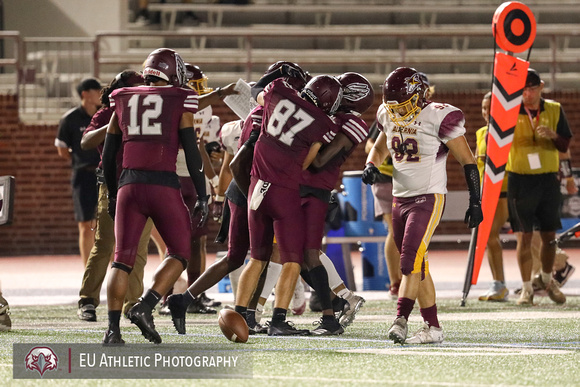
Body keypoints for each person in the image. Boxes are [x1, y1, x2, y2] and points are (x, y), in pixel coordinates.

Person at [101, 48, 236, 344]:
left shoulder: (122, 95)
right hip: (163, 184)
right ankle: (146, 306)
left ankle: (112, 330)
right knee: (179, 252)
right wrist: (202, 194)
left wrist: (113, 194)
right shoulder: (180, 98)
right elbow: (191, 152)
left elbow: (110, 154)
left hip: (128, 185)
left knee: (120, 260)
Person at [363, 67, 483, 344]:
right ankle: (434, 328)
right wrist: (371, 164)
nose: (397, 112)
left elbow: (467, 160)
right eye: (393, 106)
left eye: (403, 105)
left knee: (408, 262)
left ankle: (400, 320)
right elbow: (380, 148)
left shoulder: (438, 116)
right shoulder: (387, 114)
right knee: (420, 264)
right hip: (398, 198)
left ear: (417, 97)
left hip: (427, 197)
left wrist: (475, 201)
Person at [232, 72, 342, 336]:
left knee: (256, 258)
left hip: (257, 187)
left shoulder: (278, 91)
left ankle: (241, 315)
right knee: (291, 259)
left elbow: (256, 91)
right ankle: (278, 320)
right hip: (284, 192)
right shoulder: (322, 123)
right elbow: (307, 163)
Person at [76, 70, 154, 322]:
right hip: (113, 184)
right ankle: (88, 300)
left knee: (139, 248)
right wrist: (115, 123)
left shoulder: (150, 110)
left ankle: (132, 304)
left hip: (144, 183)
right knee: (106, 244)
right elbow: (86, 141)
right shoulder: (108, 112)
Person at [300, 72, 373, 334]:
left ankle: (331, 310)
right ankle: (339, 299)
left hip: (315, 188)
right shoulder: (333, 116)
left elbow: (319, 161)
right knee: (295, 255)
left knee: (305, 253)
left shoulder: (352, 122)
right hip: (303, 185)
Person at [507, 69, 571, 306]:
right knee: (523, 236)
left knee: (549, 235)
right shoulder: (510, 110)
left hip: (547, 179)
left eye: (532, 88)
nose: (528, 94)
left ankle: (546, 279)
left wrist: (553, 135)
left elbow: (566, 143)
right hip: (520, 178)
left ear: (541, 86)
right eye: (523, 90)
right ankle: (526, 289)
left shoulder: (554, 109)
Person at [54, 77, 102, 266]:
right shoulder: (70, 119)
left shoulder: (105, 115)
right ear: (85, 94)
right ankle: (87, 271)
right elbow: (62, 149)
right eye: (96, 90)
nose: (100, 94)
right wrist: (81, 159)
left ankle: (112, 271)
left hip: (105, 174)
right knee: (85, 224)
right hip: (83, 175)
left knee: (108, 225)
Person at [477, 91, 510, 302]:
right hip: (485, 190)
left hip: (504, 189)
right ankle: (499, 284)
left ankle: (502, 284)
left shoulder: (507, 132)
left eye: (490, 108)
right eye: (483, 108)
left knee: (491, 235)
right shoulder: (481, 132)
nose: (486, 112)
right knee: (489, 237)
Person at [364, 122, 401, 299]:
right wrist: (390, 152)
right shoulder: (385, 117)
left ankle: (411, 279)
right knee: (395, 231)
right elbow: (370, 146)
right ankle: (396, 283)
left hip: (414, 179)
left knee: (413, 231)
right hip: (385, 177)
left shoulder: (424, 115)